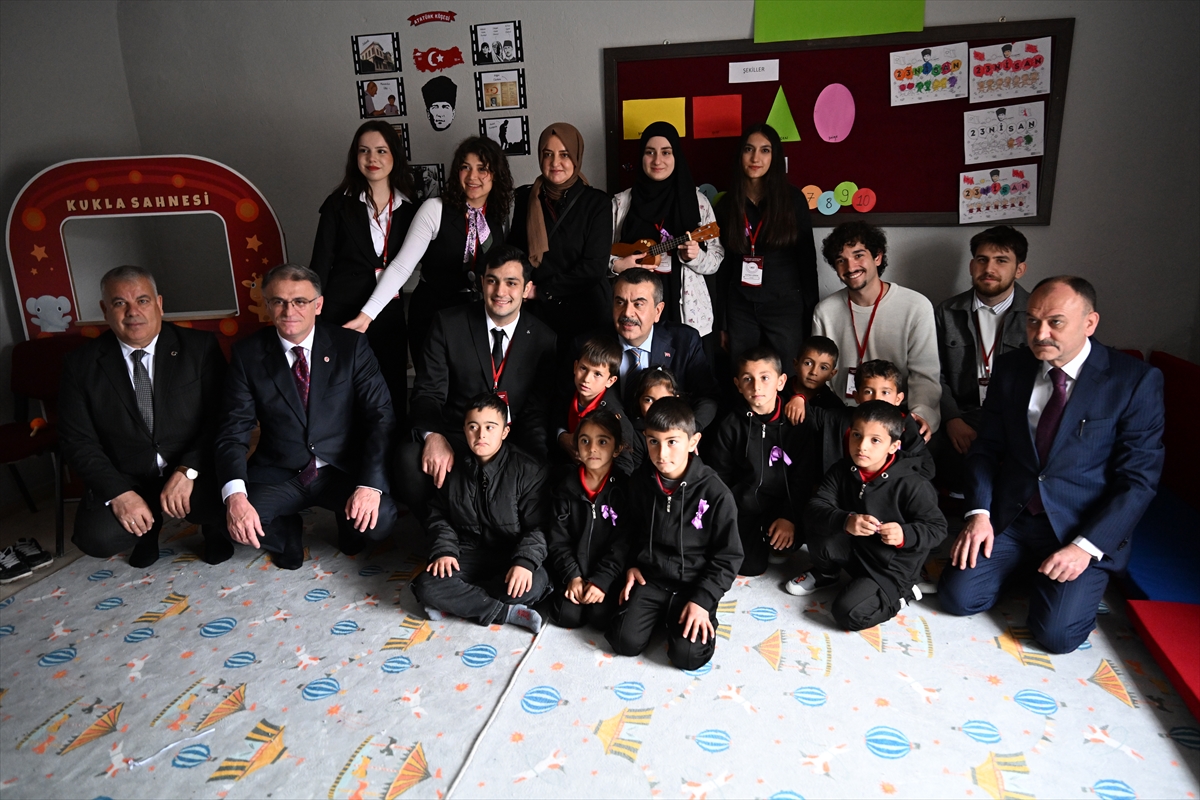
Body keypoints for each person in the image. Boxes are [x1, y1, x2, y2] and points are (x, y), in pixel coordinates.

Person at [939, 277, 1165, 654]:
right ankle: (1027, 567)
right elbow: (985, 449)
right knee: (958, 599)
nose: (1040, 333)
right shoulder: (1011, 368)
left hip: (1079, 525)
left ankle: (1059, 576)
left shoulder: (1134, 381)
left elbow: (1138, 480)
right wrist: (978, 514)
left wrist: (1085, 547)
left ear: (1089, 323)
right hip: (1014, 516)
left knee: (1056, 637)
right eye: (1032, 321)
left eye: (1055, 322)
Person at [217, 264, 399, 569]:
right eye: (279, 301)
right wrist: (235, 496)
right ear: (267, 305)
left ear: (318, 305)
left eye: (300, 301)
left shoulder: (351, 346)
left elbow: (381, 417)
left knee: (379, 522)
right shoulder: (248, 355)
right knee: (231, 521)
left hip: (341, 467)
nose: (289, 311)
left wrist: (369, 486)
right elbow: (233, 430)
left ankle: (346, 520)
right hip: (280, 470)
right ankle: (287, 533)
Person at [59, 266, 231, 568]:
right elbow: (78, 441)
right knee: (97, 538)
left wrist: (189, 469)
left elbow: (221, 417)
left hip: (191, 466)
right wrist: (119, 494)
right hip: (127, 473)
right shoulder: (80, 364)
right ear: (105, 310)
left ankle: (212, 530)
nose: (132, 312)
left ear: (159, 304)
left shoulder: (199, 347)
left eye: (142, 300)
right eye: (119, 303)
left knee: (226, 502)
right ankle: (146, 533)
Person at [397, 245, 556, 521]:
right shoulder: (448, 324)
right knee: (408, 458)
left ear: (527, 289)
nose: (500, 291)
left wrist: (536, 461)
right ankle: (439, 530)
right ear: (482, 282)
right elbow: (427, 393)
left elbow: (536, 411)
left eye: (511, 283)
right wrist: (433, 436)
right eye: (492, 280)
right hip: (458, 434)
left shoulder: (544, 338)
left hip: (510, 438)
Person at [345, 136, 513, 375]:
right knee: (432, 387)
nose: (472, 176)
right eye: (465, 167)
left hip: (477, 316)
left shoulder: (498, 215)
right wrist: (366, 315)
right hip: (433, 314)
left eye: (482, 169)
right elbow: (402, 267)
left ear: (496, 174)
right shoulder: (434, 209)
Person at [605, 397, 743, 670]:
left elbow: (729, 556)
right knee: (622, 641)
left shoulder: (716, 493)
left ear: (693, 442)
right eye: (653, 441)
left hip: (693, 583)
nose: (661, 453)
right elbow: (629, 530)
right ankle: (660, 615)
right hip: (652, 578)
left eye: (672, 442)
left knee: (687, 657)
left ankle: (684, 614)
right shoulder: (640, 481)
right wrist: (631, 564)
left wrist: (703, 600)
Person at [794, 402, 948, 631]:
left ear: (894, 446)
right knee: (819, 524)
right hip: (856, 549)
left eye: (875, 440)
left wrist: (904, 534)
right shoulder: (842, 469)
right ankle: (828, 574)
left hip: (889, 567)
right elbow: (815, 507)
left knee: (847, 613)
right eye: (857, 435)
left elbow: (938, 528)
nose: (862, 446)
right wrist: (846, 520)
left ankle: (903, 594)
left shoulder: (913, 484)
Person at [310, 121, 418, 431]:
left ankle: (391, 452)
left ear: (395, 155)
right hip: (340, 311)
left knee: (391, 386)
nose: (372, 158)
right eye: (364, 151)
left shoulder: (410, 208)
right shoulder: (337, 204)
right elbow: (320, 264)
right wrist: (313, 315)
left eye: (381, 151)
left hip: (388, 312)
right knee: (344, 390)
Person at [412, 393, 550, 633]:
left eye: (490, 427)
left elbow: (539, 527)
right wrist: (444, 551)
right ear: (464, 429)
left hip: (511, 553)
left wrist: (524, 562)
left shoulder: (528, 469)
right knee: (427, 584)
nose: (481, 435)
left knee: (534, 584)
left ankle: (460, 602)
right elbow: (438, 516)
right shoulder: (453, 466)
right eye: (473, 427)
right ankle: (505, 612)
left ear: (505, 432)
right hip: (468, 551)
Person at [811, 221, 941, 436]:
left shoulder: (916, 306)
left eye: (858, 255)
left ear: (878, 257)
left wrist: (920, 416)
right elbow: (819, 375)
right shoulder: (825, 311)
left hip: (897, 417)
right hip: (842, 416)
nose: (850, 267)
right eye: (841, 260)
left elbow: (924, 375)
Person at [715, 124, 818, 379]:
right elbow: (723, 267)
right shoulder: (728, 204)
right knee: (743, 376)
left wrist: (811, 315)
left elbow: (807, 261)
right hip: (740, 305)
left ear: (775, 156)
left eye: (765, 150)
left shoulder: (792, 200)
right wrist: (722, 323)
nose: (755, 158)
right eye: (748, 149)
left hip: (784, 305)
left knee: (787, 375)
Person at [932, 226, 1030, 494]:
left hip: (1015, 415)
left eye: (1001, 260)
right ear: (971, 265)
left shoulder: (1035, 313)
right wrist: (952, 419)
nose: (989, 268)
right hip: (963, 411)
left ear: (1019, 269)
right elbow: (933, 372)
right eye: (982, 259)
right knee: (926, 447)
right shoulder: (947, 312)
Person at [611, 122, 723, 342]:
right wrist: (617, 265)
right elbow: (600, 254)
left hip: (684, 307)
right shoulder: (622, 203)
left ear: (676, 156)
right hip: (635, 307)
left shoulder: (698, 202)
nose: (657, 161)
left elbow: (716, 258)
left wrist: (696, 257)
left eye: (666, 152)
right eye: (649, 152)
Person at [510, 123, 613, 356]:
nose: (555, 163)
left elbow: (594, 268)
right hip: (539, 316)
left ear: (576, 157)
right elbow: (516, 253)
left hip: (587, 313)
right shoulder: (526, 198)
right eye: (548, 154)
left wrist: (542, 291)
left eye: (564, 155)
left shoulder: (597, 203)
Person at [708, 347, 805, 576]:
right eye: (747, 379)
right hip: (745, 506)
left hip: (782, 505)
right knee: (750, 567)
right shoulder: (730, 425)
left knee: (790, 541)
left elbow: (802, 476)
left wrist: (789, 516)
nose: (756, 387)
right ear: (738, 384)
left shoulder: (796, 422)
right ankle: (759, 542)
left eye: (764, 378)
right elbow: (719, 477)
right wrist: (726, 518)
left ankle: (777, 539)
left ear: (781, 382)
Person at [788, 358, 935, 498]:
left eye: (885, 392)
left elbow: (926, 469)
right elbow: (809, 415)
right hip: (843, 495)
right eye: (868, 392)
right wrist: (799, 398)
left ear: (898, 399)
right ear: (856, 396)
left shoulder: (907, 426)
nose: (877, 398)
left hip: (888, 497)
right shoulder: (840, 419)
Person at [598, 268, 720, 431]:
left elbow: (708, 397)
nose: (627, 312)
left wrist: (685, 433)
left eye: (638, 304)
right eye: (620, 302)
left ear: (658, 311)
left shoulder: (684, 340)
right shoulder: (591, 343)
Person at [547, 410, 628, 630]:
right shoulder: (565, 487)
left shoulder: (625, 489)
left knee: (601, 617)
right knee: (565, 615)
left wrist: (601, 581)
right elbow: (558, 539)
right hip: (574, 570)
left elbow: (624, 544)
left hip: (608, 574)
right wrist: (572, 575)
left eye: (602, 442)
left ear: (617, 448)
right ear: (576, 446)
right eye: (585, 441)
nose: (592, 448)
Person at [554, 336, 636, 474]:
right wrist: (561, 436)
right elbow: (553, 418)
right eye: (583, 368)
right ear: (575, 367)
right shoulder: (567, 393)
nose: (586, 379)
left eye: (597, 374)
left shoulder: (615, 416)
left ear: (610, 381)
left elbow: (625, 466)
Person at [625, 366, 681, 474]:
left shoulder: (683, 428)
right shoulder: (634, 435)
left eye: (664, 400)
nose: (656, 407)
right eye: (648, 400)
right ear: (638, 401)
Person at [784, 335, 845, 421]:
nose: (814, 372)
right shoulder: (778, 391)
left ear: (831, 374)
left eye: (823, 368)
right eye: (808, 363)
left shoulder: (834, 406)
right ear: (796, 364)